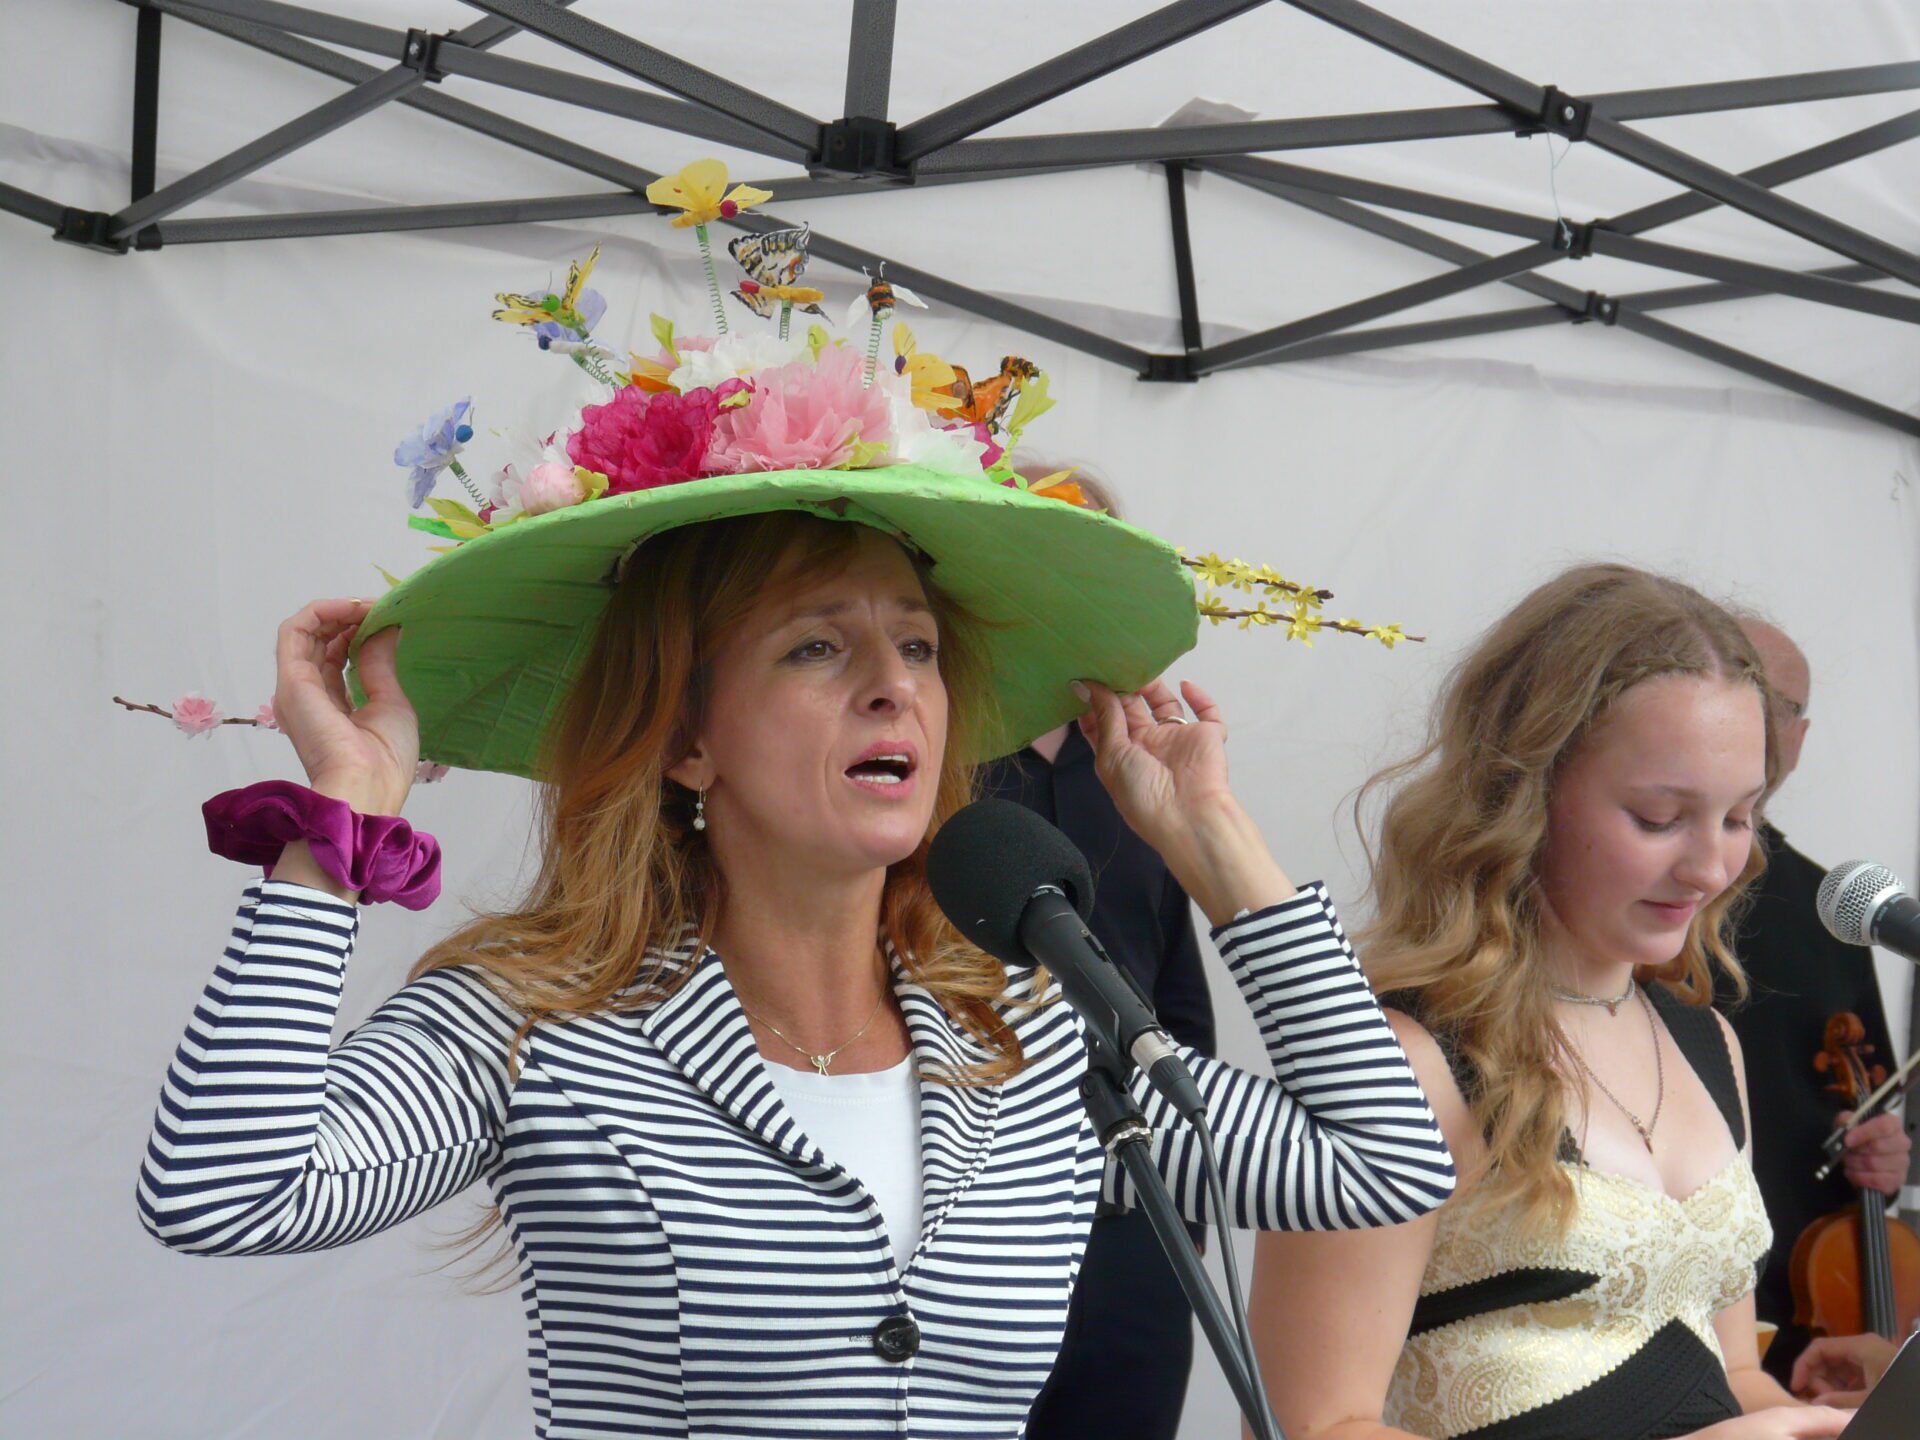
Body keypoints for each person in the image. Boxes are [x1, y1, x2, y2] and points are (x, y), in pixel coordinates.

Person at [136, 481, 1456, 1437]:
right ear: (686, 740)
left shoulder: (1033, 1031)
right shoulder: (539, 1023)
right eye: (818, 646)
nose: (895, 686)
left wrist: (1216, 846)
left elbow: (1381, 1167)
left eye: (918, 646)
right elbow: (218, 1192)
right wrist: (342, 818)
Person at [1246, 564, 1853, 1440]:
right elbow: (1307, 1425)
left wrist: (1811, 1425)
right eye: (1659, 818)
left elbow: (1731, 1378)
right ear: (1524, 789)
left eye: (1738, 818)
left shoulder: (1708, 1043)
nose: (1711, 868)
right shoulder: (1403, 1059)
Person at [984, 467, 1217, 1440]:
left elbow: (1177, 999)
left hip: (1133, 1225)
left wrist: (1177, 1203)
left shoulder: (1140, 765)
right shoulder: (928, 758)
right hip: (982, 1208)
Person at [1712, 617, 1911, 1382]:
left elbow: (1869, 1107)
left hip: (1797, 1311)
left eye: (1778, 706)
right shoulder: (1620, 896)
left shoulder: (1834, 909)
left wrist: (1881, 1157)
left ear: (1799, 737)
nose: (1758, 723)